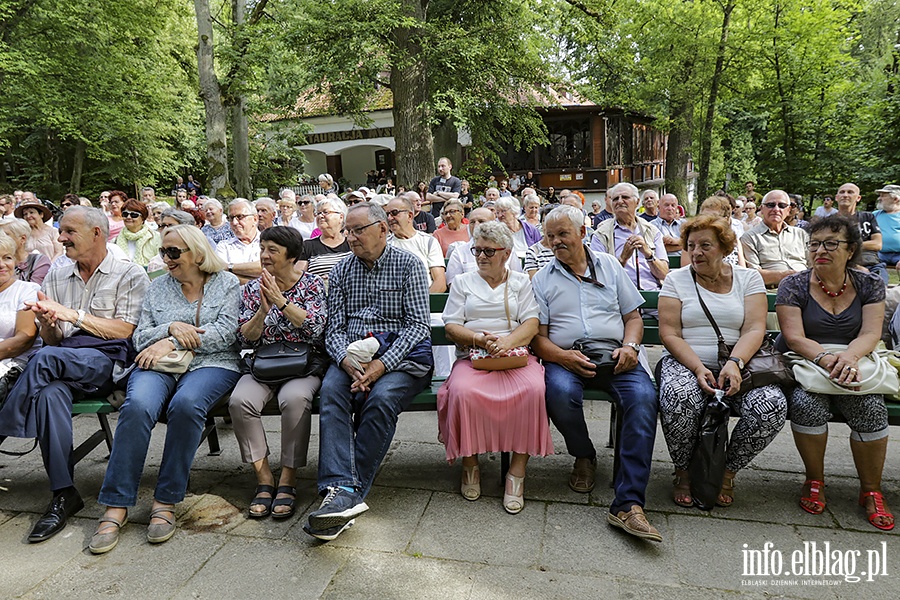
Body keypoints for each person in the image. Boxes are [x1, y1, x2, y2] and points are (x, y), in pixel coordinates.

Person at [88, 224, 240, 554]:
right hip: (159, 363)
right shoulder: (157, 289)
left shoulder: (226, 284)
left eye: (173, 252)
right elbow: (140, 337)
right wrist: (170, 327)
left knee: (186, 404)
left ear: (198, 255)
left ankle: (166, 499)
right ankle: (116, 503)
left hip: (213, 363)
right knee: (138, 405)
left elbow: (227, 333)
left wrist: (168, 339)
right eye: (163, 252)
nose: (166, 259)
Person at [0, 207, 149, 543]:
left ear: (96, 233)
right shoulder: (58, 271)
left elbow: (125, 331)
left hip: (105, 361)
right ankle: (64, 493)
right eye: (61, 231)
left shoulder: (129, 272)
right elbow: (53, 339)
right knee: (50, 392)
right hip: (60, 361)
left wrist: (72, 314)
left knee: (45, 359)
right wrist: (49, 324)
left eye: (68, 231)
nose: (60, 237)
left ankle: (4, 423)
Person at [303, 202, 433, 541]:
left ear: (383, 230)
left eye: (358, 230)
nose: (351, 237)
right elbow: (333, 329)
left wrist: (381, 365)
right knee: (332, 391)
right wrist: (344, 360)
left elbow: (418, 326)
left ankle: (343, 493)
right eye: (348, 230)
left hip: (401, 358)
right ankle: (342, 492)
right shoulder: (342, 270)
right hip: (352, 357)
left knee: (382, 397)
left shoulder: (409, 265)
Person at [532, 205, 661, 542]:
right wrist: (563, 356)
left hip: (617, 355)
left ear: (582, 234)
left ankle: (628, 503)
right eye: (551, 236)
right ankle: (584, 455)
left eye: (563, 234)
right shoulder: (542, 280)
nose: (556, 241)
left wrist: (631, 347)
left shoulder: (609, 267)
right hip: (567, 357)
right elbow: (538, 339)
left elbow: (633, 318)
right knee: (557, 392)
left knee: (645, 398)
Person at [658, 214, 787, 508]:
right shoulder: (676, 279)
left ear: (725, 248)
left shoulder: (748, 278)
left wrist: (735, 363)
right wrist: (698, 368)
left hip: (741, 364)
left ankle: (725, 471)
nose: (697, 252)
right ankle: (683, 471)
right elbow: (670, 333)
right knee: (679, 396)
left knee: (771, 404)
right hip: (687, 361)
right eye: (691, 246)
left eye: (706, 245)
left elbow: (755, 328)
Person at [775, 215, 893, 532]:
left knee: (869, 407)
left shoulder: (870, 284)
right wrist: (828, 359)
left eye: (830, 243)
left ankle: (871, 490)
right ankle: (815, 479)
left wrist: (850, 357)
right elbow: (795, 337)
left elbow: (871, 333)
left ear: (851, 248)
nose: (820, 250)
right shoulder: (794, 284)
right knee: (806, 403)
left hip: (856, 359)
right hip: (808, 359)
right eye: (814, 244)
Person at [438, 221, 552, 513]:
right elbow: (451, 325)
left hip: (513, 354)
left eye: (489, 250)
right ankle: (470, 463)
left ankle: (516, 473)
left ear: (507, 253)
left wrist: (507, 341)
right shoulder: (463, 282)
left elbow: (531, 322)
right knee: (462, 392)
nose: (481, 256)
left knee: (534, 389)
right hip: (474, 356)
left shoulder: (520, 282)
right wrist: (478, 338)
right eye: (477, 249)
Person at [230, 227, 326, 520]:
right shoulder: (250, 289)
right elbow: (245, 339)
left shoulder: (312, 285)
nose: (264, 255)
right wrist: (262, 310)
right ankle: (263, 478)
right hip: (264, 363)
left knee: (295, 399)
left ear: (292, 256)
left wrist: (282, 303)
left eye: (273, 250)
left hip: (303, 363)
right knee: (239, 401)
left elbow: (315, 329)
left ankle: (288, 477)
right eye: (262, 248)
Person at [590, 182, 668, 294]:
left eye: (625, 197)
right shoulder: (601, 235)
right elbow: (598, 276)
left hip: (653, 294)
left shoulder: (652, 231)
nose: (620, 201)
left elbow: (664, 274)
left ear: (637, 202)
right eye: (615, 199)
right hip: (620, 297)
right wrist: (623, 258)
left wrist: (648, 254)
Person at [740, 189, 809, 288]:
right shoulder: (750, 237)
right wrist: (785, 276)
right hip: (773, 291)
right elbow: (752, 274)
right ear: (762, 209)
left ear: (788, 210)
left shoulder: (801, 234)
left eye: (782, 206)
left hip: (807, 288)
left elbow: (814, 265)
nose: (776, 209)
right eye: (771, 205)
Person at [0, 233, 41, 386]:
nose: (2, 264)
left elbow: (25, 338)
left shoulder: (27, 291)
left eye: (7, 258)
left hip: (15, 368)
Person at [386, 194, 447, 293]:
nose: (389, 218)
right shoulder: (384, 245)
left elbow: (439, 283)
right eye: (387, 214)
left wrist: (419, 304)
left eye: (394, 213)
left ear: (410, 216)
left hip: (424, 301)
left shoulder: (428, 242)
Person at [446, 208, 522, 285]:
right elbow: (453, 285)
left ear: (494, 223)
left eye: (481, 221)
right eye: (472, 222)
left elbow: (517, 280)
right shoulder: (459, 252)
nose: (476, 225)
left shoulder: (505, 250)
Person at [835, 183, 886, 282]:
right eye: (842, 192)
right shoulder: (829, 222)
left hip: (871, 263)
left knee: (881, 289)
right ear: (837, 197)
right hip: (841, 265)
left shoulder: (868, 217)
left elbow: (877, 244)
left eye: (850, 192)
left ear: (858, 198)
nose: (845, 195)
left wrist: (847, 245)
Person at [297, 197, 351, 285]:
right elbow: (298, 279)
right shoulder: (307, 245)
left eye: (325, 212)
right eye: (318, 213)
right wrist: (316, 281)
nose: (320, 216)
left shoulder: (351, 243)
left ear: (341, 217)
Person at [683, 196, 746, 267]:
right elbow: (687, 272)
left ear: (726, 219)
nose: (707, 221)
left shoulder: (735, 242)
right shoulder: (692, 242)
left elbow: (743, 270)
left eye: (714, 217)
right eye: (704, 217)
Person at [215, 199, 261, 285]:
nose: (235, 222)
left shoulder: (268, 243)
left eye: (240, 217)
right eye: (231, 218)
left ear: (255, 219)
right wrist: (256, 283)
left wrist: (229, 267)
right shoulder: (224, 246)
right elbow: (220, 276)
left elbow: (266, 269)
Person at [0, 218, 51, 284]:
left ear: (23, 239)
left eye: (5, 235)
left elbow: (34, 290)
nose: (1, 238)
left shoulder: (38, 261)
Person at [114, 199, 160, 268]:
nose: (128, 217)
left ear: (143, 218)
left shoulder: (156, 237)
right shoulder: (115, 241)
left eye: (134, 215)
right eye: (125, 214)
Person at [874, 185, 900, 266]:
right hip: (879, 254)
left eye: (883, 196)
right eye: (879, 196)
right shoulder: (875, 215)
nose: (879, 198)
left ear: (895, 199)